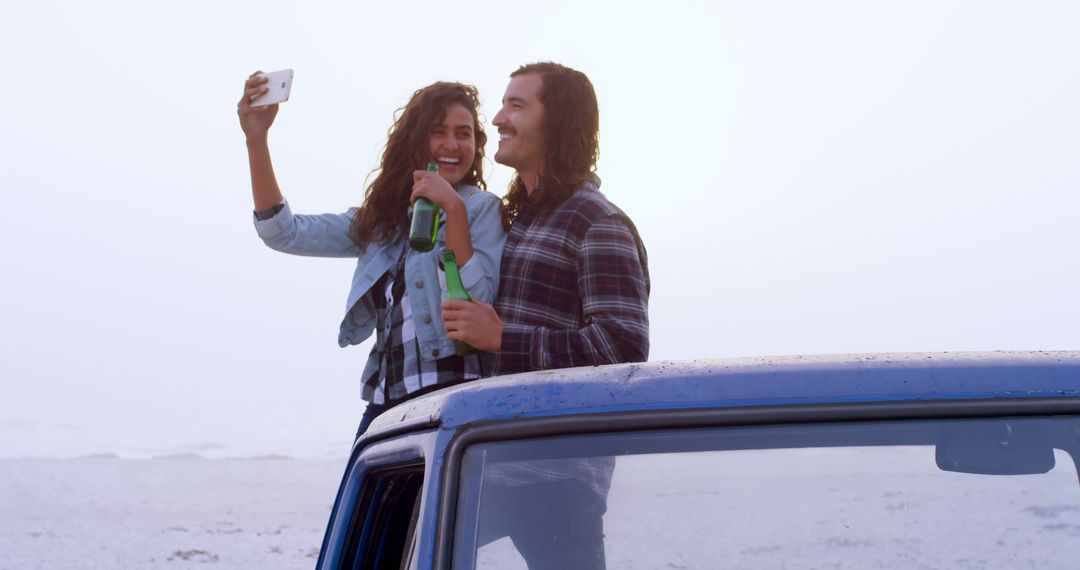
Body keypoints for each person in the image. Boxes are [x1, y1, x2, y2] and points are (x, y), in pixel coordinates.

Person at [441, 62, 650, 570]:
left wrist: (503, 337)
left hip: (559, 473)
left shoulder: (597, 220)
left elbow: (622, 349)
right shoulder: (524, 219)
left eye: (516, 105)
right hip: (496, 458)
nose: (497, 118)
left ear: (556, 123)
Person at [237, 75, 505, 438]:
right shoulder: (382, 221)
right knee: (358, 496)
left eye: (464, 133)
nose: (452, 144)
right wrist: (257, 140)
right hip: (387, 398)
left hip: (452, 391)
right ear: (414, 141)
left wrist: (452, 208)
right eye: (438, 131)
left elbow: (477, 305)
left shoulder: (479, 208)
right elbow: (283, 232)